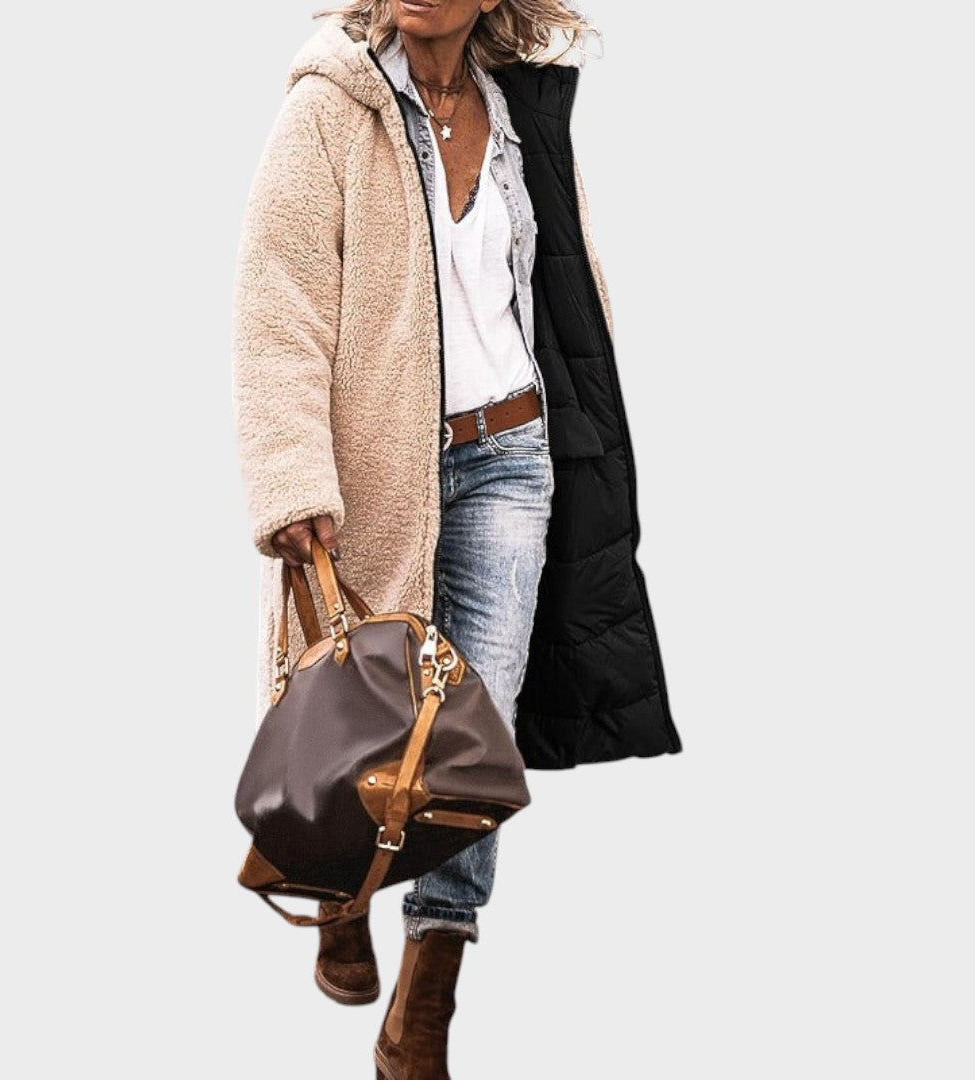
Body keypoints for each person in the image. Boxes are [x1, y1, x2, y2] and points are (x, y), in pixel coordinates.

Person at [231, 2, 682, 1075]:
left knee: (478, 723)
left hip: (511, 455)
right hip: (378, 460)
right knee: (362, 699)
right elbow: (279, 299)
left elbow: (558, 286)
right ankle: (339, 886)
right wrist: (292, 474)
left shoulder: (520, 113)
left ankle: (431, 978)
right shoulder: (331, 109)